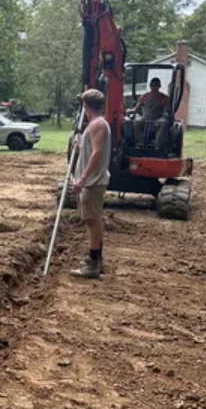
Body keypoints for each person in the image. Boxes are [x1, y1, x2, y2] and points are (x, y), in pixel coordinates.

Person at [70, 89, 112, 279]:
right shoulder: (95, 125)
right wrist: (79, 145)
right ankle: (96, 259)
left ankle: (93, 264)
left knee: (92, 221)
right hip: (93, 181)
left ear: (86, 105)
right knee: (92, 220)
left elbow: (97, 153)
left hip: (93, 182)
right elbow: (90, 149)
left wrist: (82, 179)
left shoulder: (97, 124)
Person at [126, 77, 170, 149]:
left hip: (157, 119)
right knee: (137, 122)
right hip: (145, 118)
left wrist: (166, 114)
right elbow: (136, 109)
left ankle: (158, 145)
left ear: (159, 86)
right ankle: (140, 143)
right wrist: (129, 111)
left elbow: (168, 111)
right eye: (152, 85)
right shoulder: (144, 97)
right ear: (150, 86)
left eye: (156, 86)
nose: (154, 88)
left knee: (164, 123)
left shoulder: (164, 98)